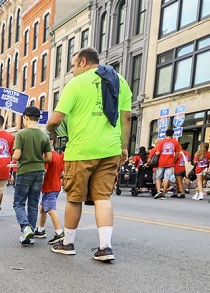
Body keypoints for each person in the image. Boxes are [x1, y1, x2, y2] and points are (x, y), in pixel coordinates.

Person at [46, 47, 132, 262]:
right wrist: (123, 146)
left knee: (75, 198)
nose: (72, 70)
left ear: (83, 62)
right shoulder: (119, 81)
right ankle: (105, 247)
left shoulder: (75, 84)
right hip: (111, 148)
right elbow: (127, 117)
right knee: (103, 197)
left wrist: (50, 131)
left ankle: (67, 243)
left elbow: (55, 119)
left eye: (73, 65)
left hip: (82, 150)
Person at [11, 106, 53, 245]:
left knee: (18, 203)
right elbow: (49, 158)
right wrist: (38, 159)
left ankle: (26, 227)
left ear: (26, 118)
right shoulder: (44, 135)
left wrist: (13, 156)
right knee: (33, 204)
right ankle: (31, 235)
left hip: (24, 171)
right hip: (39, 171)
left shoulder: (21, 134)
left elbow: (16, 156)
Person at [35, 149, 65, 245]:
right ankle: (40, 230)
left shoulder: (47, 156)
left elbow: (43, 171)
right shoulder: (56, 155)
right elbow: (62, 173)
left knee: (51, 209)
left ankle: (59, 233)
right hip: (55, 186)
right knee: (42, 208)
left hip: (49, 187)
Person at [148, 128, 181, 199]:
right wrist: (174, 161)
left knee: (158, 177)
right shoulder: (175, 142)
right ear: (172, 134)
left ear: (166, 134)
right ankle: (163, 194)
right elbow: (177, 154)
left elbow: (157, 152)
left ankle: (159, 191)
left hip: (161, 162)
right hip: (170, 163)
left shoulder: (161, 142)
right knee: (166, 178)